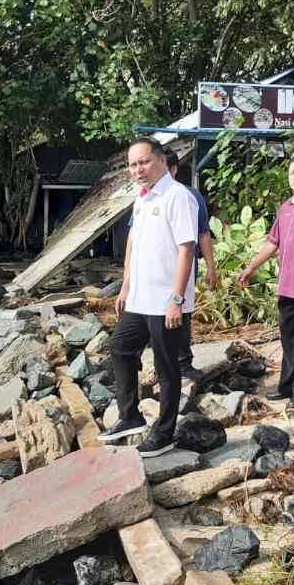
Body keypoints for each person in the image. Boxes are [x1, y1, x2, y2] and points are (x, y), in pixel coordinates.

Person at [99, 137, 199, 458]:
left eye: (143, 162)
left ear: (160, 161)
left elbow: (187, 249)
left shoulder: (178, 196)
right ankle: (130, 416)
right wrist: (126, 285)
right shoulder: (141, 198)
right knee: (120, 347)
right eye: (132, 165)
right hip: (140, 299)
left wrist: (177, 299)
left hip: (166, 302)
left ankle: (164, 433)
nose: (137, 170)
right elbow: (136, 243)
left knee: (166, 366)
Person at [238, 153, 294, 406]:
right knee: (289, 339)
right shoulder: (286, 208)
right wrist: (251, 268)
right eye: (292, 172)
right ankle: (287, 386)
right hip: (287, 286)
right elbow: (272, 243)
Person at [125, 151, 219, 381]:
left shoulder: (187, 196)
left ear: (173, 169)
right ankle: (152, 364)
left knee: (179, 320)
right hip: (149, 279)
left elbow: (202, 234)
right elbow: (133, 237)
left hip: (178, 275)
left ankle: (182, 364)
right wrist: (126, 280)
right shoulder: (144, 197)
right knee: (144, 325)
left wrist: (211, 267)